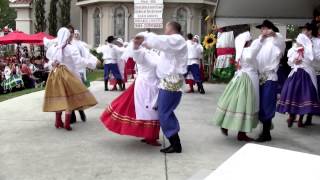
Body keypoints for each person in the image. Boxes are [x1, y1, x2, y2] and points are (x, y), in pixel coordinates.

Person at [134, 21, 188, 153]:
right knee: (165, 112)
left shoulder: (178, 40)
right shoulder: (172, 43)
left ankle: (176, 144)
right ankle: (175, 142)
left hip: (171, 82)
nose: (165, 30)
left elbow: (162, 41)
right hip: (168, 82)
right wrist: (143, 42)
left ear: (171, 29)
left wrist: (146, 38)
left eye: (166, 28)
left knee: (164, 112)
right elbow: (161, 44)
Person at [101, 42, 161, 146]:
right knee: (148, 110)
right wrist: (136, 46)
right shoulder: (141, 53)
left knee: (150, 110)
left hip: (153, 84)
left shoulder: (153, 53)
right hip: (144, 86)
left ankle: (149, 135)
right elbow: (137, 53)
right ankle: (150, 137)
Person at [43, 27, 99, 131]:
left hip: (55, 75)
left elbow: (50, 63)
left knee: (60, 98)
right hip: (69, 76)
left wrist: (52, 64)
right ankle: (67, 124)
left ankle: (58, 121)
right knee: (69, 99)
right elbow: (79, 61)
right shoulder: (70, 48)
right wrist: (92, 63)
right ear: (68, 36)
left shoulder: (54, 48)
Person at [214, 31, 264, 141]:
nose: (251, 42)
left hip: (239, 78)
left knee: (233, 103)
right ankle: (242, 133)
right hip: (248, 79)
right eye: (250, 41)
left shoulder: (240, 52)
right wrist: (261, 39)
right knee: (246, 105)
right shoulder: (247, 51)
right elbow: (253, 52)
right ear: (247, 42)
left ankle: (226, 125)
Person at [278, 23, 320, 127]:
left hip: (309, 71)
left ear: (311, 31)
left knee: (306, 95)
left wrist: (309, 47)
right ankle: (291, 116)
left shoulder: (316, 42)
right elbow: (291, 57)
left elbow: (315, 58)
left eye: (307, 30)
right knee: (292, 92)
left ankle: (302, 118)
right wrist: (294, 61)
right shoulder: (299, 41)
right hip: (297, 71)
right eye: (304, 30)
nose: (305, 32)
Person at [255, 20, 286, 142]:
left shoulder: (277, 40)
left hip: (270, 76)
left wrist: (273, 34)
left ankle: (266, 132)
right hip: (259, 76)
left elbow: (281, 43)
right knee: (260, 103)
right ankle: (265, 127)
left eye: (265, 28)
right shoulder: (260, 41)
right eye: (262, 29)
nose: (263, 31)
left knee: (267, 103)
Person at [69, 27, 95, 124]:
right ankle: (72, 115)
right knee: (69, 95)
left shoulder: (81, 45)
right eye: (72, 33)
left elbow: (85, 56)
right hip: (66, 72)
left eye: (75, 33)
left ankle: (80, 110)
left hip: (78, 70)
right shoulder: (64, 43)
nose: (74, 35)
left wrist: (91, 64)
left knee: (77, 94)